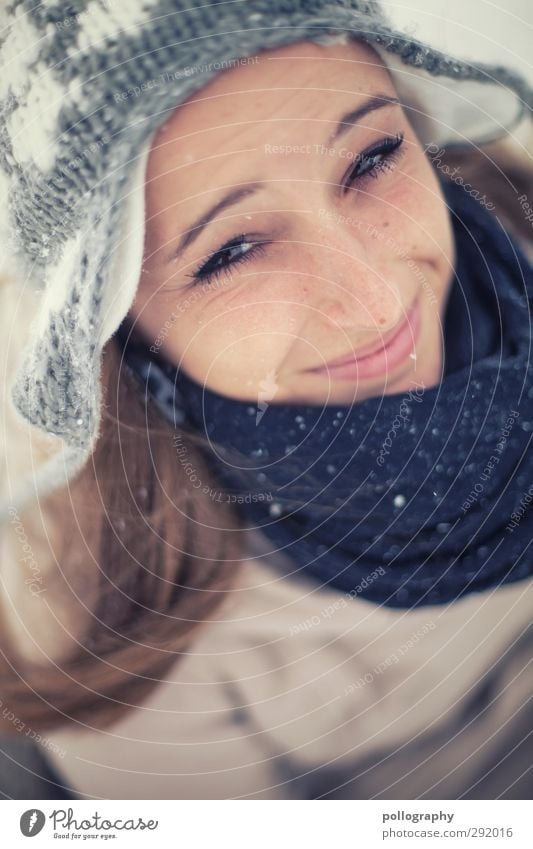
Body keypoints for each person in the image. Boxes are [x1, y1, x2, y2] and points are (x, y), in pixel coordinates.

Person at [0, 1, 532, 800]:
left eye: (372, 157)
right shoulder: (112, 618)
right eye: (233, 250)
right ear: (123, 340)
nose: (378, 299)